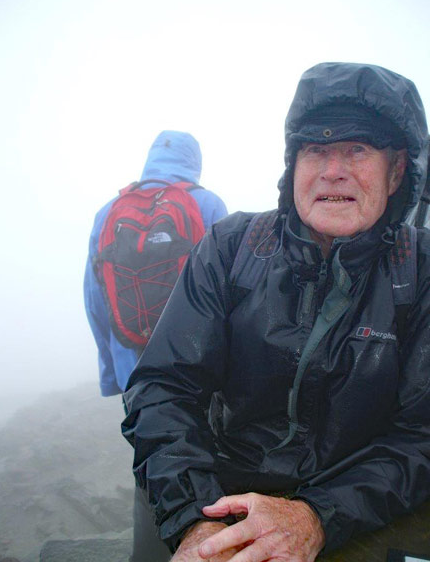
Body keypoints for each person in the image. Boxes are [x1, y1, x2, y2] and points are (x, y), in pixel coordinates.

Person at [122, 63, 430, 562]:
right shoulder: (231, 247)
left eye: (358, 149)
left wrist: (316, 516)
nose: (334, 170)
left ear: (397, 170)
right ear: (294, 165)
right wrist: (196, 521)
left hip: (354, 499)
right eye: (316, 149)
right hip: (217, 487)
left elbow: (422, 436)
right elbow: (164, 386)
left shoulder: (420, 273)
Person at [84, 130, 228, 561]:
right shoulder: (207, 205)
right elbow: (231, 291)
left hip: (136, 371)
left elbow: (95, 300)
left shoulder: (109, 212)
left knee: (153, 458)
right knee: (206, 456)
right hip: (196, 367)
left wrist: (114, 375)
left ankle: (148, 553)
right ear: (194, 162)